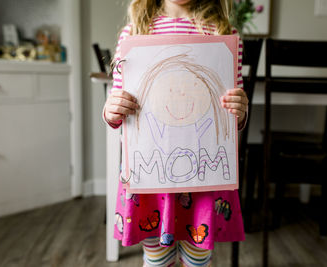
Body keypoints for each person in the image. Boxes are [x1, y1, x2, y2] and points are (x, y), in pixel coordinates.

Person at [102, 1, 248, 266]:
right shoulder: (135, 32)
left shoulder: (224, 34)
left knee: (198, 258)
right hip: (149, 174)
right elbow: (118, 103)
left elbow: (231, 115)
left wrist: (240, 109)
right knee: (156, 259)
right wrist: (111, 110)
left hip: (204, 173)